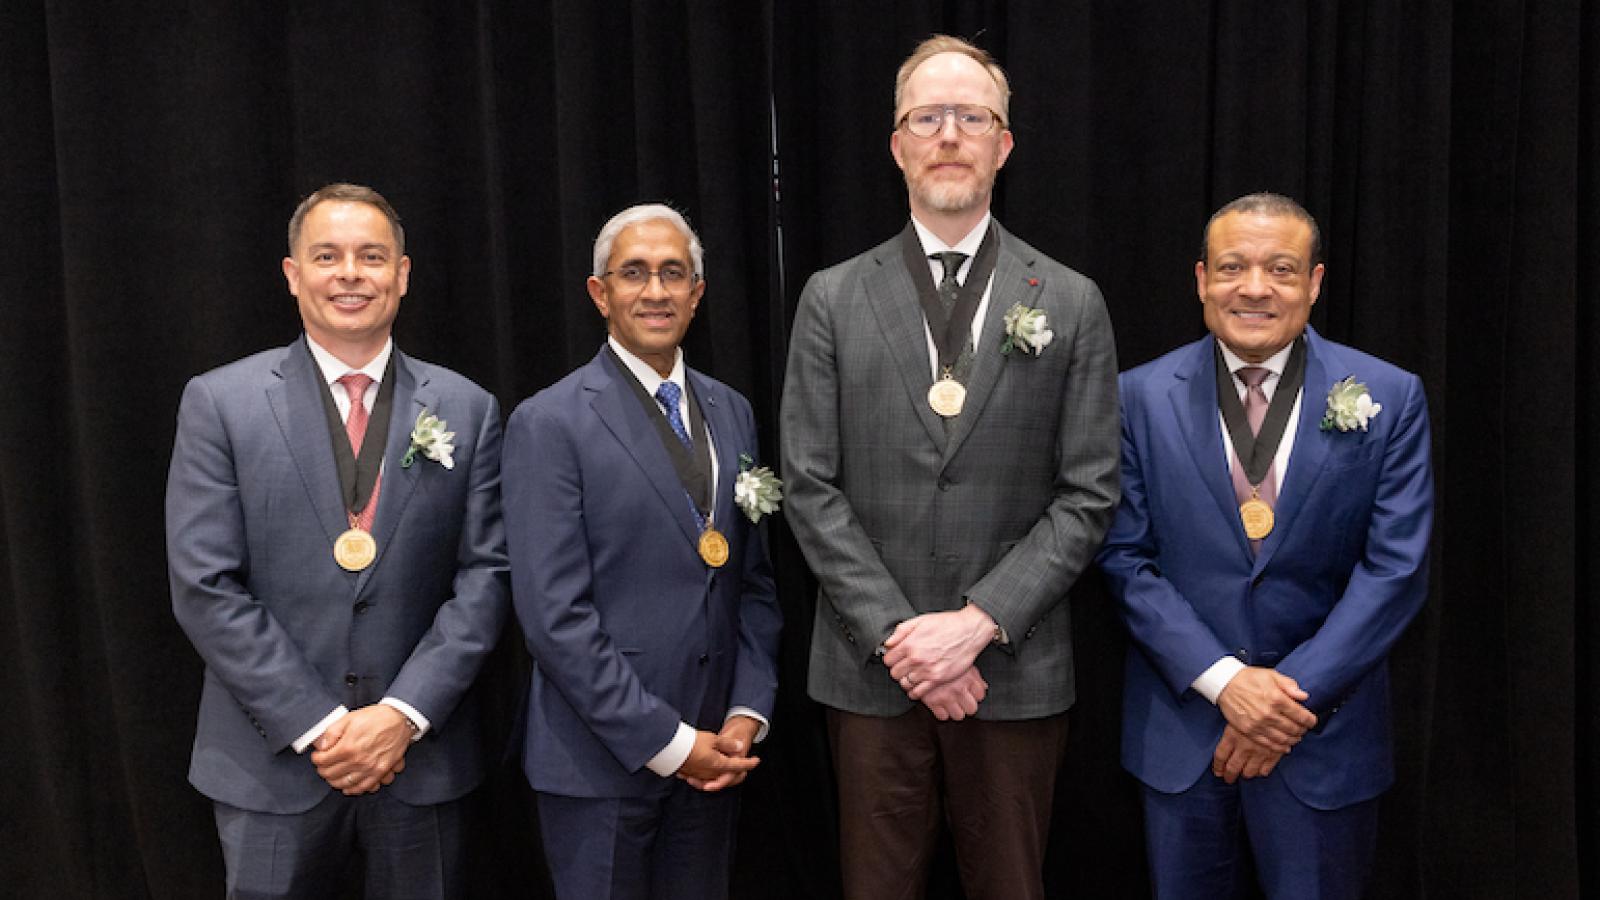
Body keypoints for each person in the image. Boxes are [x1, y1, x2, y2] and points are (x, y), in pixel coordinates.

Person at [780, 35, 1119, 900]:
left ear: (1004, 145)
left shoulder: (1071, 300)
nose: (949, 134)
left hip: (1013, 670)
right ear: (897, 144)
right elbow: (810, 485)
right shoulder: (832, 296)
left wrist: (974, 625)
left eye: (973, 117)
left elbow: (1088, 494)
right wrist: (902, 636)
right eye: (927, 117)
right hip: (870, 672)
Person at [166, 182, 510, 898]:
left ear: (403, 274)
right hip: (271, 763)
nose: (350, 273)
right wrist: (321, 724)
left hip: (421, 760)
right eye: (327, 256)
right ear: (293, 275)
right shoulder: (219, 403)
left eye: (371, 256)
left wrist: (401, 716)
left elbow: (488, 578)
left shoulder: (469, 410)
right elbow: (204, 585)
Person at [1097, 192, 1434, 899]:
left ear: (1314, 283)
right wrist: (1226, 683)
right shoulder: (1138, 397)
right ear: (1200, 280)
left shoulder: (1390, 395)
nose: (1254, 288)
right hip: (1184, 737)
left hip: (1323, 737)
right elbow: (1126, 559)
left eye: (1281, 269)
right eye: (1233, 267)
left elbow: (1395, 571)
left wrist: (1278, 706)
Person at [502, 204, 783, 900]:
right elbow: (553, 618)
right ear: (600, 293)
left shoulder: (733, 410)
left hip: (718, 754)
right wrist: (672, 744)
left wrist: (747, 711)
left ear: (697, 292)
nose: (655, 291)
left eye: (672, 273)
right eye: (634, 273)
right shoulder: (550, 422)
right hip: (602, 764)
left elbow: (753, 582)